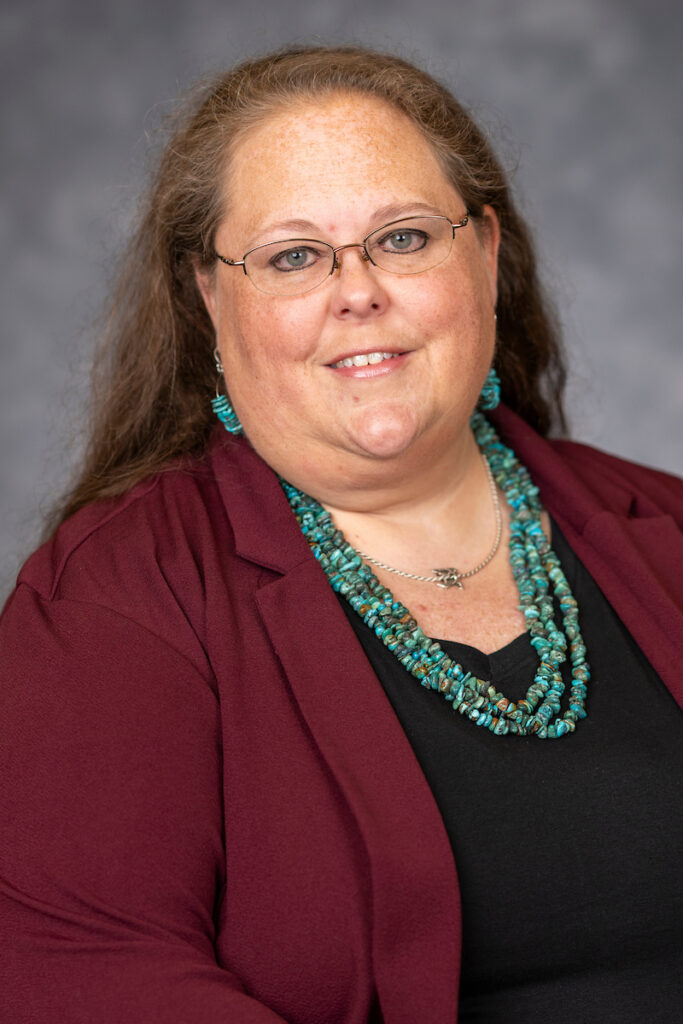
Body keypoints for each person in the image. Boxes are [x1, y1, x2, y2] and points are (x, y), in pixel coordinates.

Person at [1, 45, 682, 1024]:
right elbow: (77, 967)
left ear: (484, 255)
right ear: (208, 297)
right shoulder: (117, 596)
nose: (356, 289)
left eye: (402, 238)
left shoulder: (661, 528)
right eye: (292, 256)